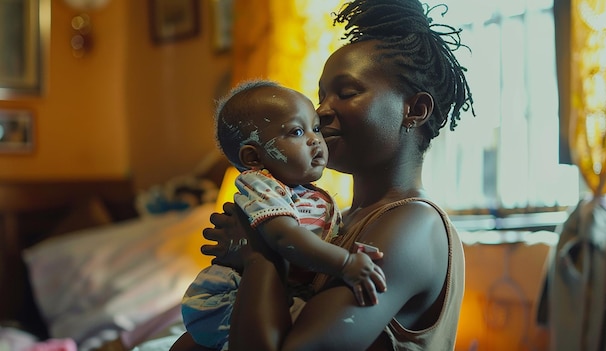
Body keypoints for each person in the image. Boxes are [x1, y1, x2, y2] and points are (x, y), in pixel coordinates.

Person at [172, 0, 475, 349]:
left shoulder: (415, 225)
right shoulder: (330, 224)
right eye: (321, 96)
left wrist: (259, 253)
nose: (321, 110)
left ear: (416, 110)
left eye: (346, 93)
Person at [181, 80, 387, 350]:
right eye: (297, 131)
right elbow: (283, 236)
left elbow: (315, 240)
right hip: (228, 297)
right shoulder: (262, 185)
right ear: (254, 158)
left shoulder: (306, 193)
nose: (315, 138)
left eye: (314, 128)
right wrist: (346, 262)